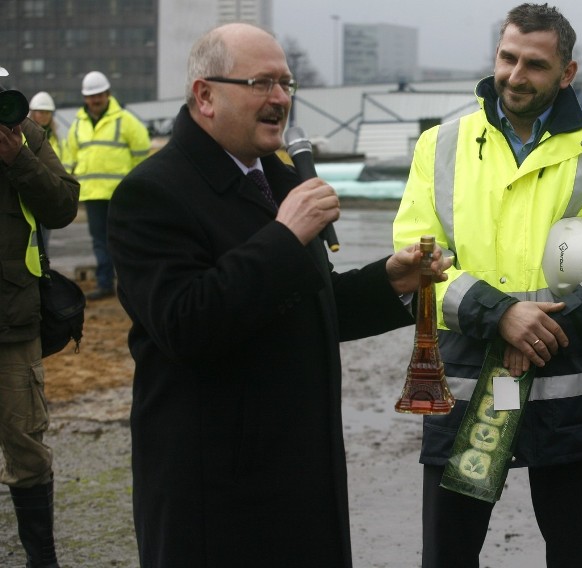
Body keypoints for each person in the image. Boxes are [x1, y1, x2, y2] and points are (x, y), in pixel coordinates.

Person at [106, 23, 451, 567]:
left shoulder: (285, 183)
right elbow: (185, 324)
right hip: (215, 488)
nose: (281, 99)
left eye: (287, 84)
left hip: (301, 472)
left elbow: (310, 308)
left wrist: (390, 281)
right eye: (261, 83)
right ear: (205, 95)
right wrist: (284, 237)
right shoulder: (152, 194)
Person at [392, 5, 582, 566]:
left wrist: (556, 324)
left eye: (536, 65)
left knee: (574, 555)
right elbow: (415, 265)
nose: (515, 75)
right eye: (507, 57)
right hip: (471, 379)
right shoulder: (441, 145)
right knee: (448, 554)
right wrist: (499, 315)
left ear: (567, 73)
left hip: (571, 382)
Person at [0, 65, 80, 567]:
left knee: (25, 443)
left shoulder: (27, 134)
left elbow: (63, 206)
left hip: (13, 319)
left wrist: (19, 161)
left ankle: (41, 559)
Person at [66, 70, 150, 301]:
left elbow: (142, 153)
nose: (95, 100)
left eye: (99, 95)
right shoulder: (77, 125)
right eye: (91, 96)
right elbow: (70, 157)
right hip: (93, 194)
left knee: (124, 239)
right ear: (85, 98)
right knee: (100, 241)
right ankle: (105, 284)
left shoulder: (126, 121)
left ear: (108, 94)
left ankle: (131, 284)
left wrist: (137, 185)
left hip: (120, 194)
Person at [28, 90, 68, 253]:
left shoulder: (57, 140)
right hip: (31, 193)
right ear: (32, 113)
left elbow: (63, 165)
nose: (43, 116)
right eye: (40, 112)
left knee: (44, 241)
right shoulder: (26, 135)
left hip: (49, 193)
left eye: (47, 112)